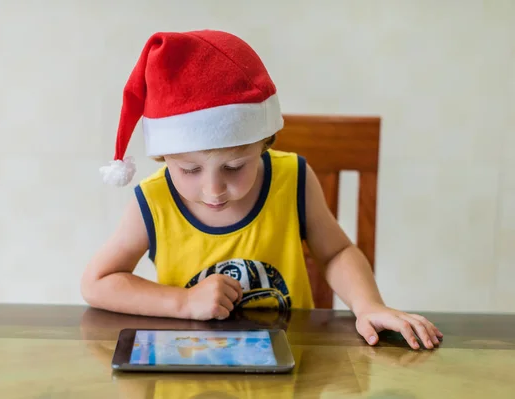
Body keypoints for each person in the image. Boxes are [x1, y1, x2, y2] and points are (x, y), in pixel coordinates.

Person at [80, 29, 443, 350]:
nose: (214, 189)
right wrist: (184, 303)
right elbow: (97, 283)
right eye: (189, 169)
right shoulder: (154, 200)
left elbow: (335, 253)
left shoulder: (293, 178)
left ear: (264, 143)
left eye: (235, 166)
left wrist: (369, 306)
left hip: (292, 369)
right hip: (188, 371)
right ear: (162, 156)